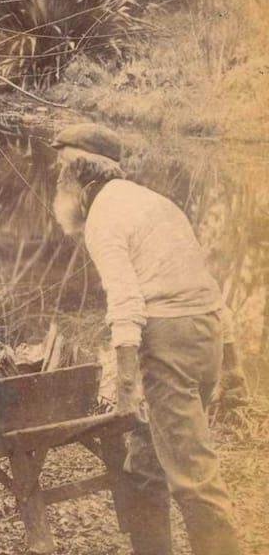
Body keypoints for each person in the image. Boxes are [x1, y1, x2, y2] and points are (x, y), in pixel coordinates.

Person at [49, 122, 244, 555]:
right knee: (145, 464)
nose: (58, 182)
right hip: (205, 334)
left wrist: (123, 390)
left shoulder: (103, 218)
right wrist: (232, 363)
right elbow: (208, 284)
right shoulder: (157, 203)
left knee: (192, 475)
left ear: (78, 173)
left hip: (168, 342)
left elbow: (126, 304)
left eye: (61, 172)